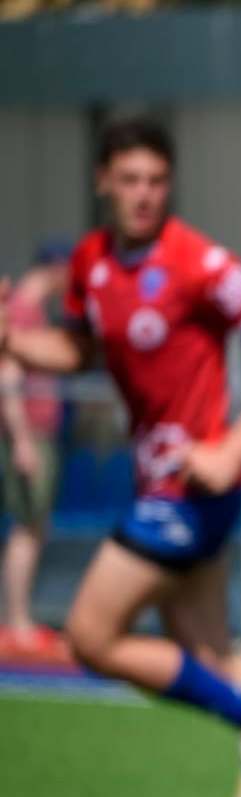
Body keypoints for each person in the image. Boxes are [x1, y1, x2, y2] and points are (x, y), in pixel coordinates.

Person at [0, 118, 241, 797]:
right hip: (157, 484)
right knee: (210, 657)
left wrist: (233, 446)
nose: (144, 195)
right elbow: (77, 349)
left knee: (91, 635)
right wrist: (10, 339)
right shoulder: (92, 263)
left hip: (192, 488)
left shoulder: (199, 262)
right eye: (130, 180)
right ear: (103, 182)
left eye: (157, 181)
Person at [0, 238, 72, 655]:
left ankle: (19, 620)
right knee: (26, 529)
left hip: (37, 434)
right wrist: (23, 438)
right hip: (27, 437)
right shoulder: (22, 311)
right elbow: (8, 376)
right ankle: (17, 623)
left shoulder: (35, 312)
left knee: (34, 528)